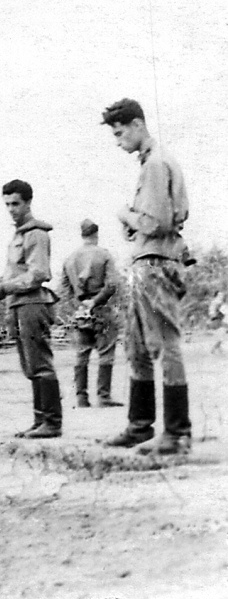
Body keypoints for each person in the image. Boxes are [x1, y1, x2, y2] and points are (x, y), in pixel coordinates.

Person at [101, 98, 192, 455]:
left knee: (164, 344)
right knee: (137, 345)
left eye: (121, 132)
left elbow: (156, 223)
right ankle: (140, 426)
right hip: (148, 259)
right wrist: (135, 224)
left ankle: (176, 433)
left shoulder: (155, 164)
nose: (118, 140)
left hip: (156, 262)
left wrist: (125, 214)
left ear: (138, 124)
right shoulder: (155, 161)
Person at [0, 179, 62, 439]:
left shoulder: (35, 234)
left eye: (16, 203)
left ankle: (52, 423)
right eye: (7, 204)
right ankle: (40, 420)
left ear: (28, 202)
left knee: (40, 362)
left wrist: (6, 287)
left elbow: (39, 273)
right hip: (20, 304)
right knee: (30, 365)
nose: (11, 209)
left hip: (33, 302)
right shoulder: (19, 234)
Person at [58, 219, 122, 408]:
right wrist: (94, 302)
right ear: (96, 234)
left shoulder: (70, 259)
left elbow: (64, 289)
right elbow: (111, 285)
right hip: (101, 308)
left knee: (81, 353)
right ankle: (103, 396)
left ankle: (81, 397)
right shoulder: (104, 255)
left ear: (82, 234)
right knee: (106, 352)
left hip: (80, 311)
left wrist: (78, 306)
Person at [207, 290, 227, 355]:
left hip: (221, 320)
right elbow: (212, 313)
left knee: (221, 336)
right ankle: (213, 349)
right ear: (216, 296)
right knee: (221, 336)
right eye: (219, 295)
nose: (221, 296)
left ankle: (218, 349)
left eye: (222, 295)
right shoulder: (215, 303)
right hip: (217, 320)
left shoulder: (220, 303)